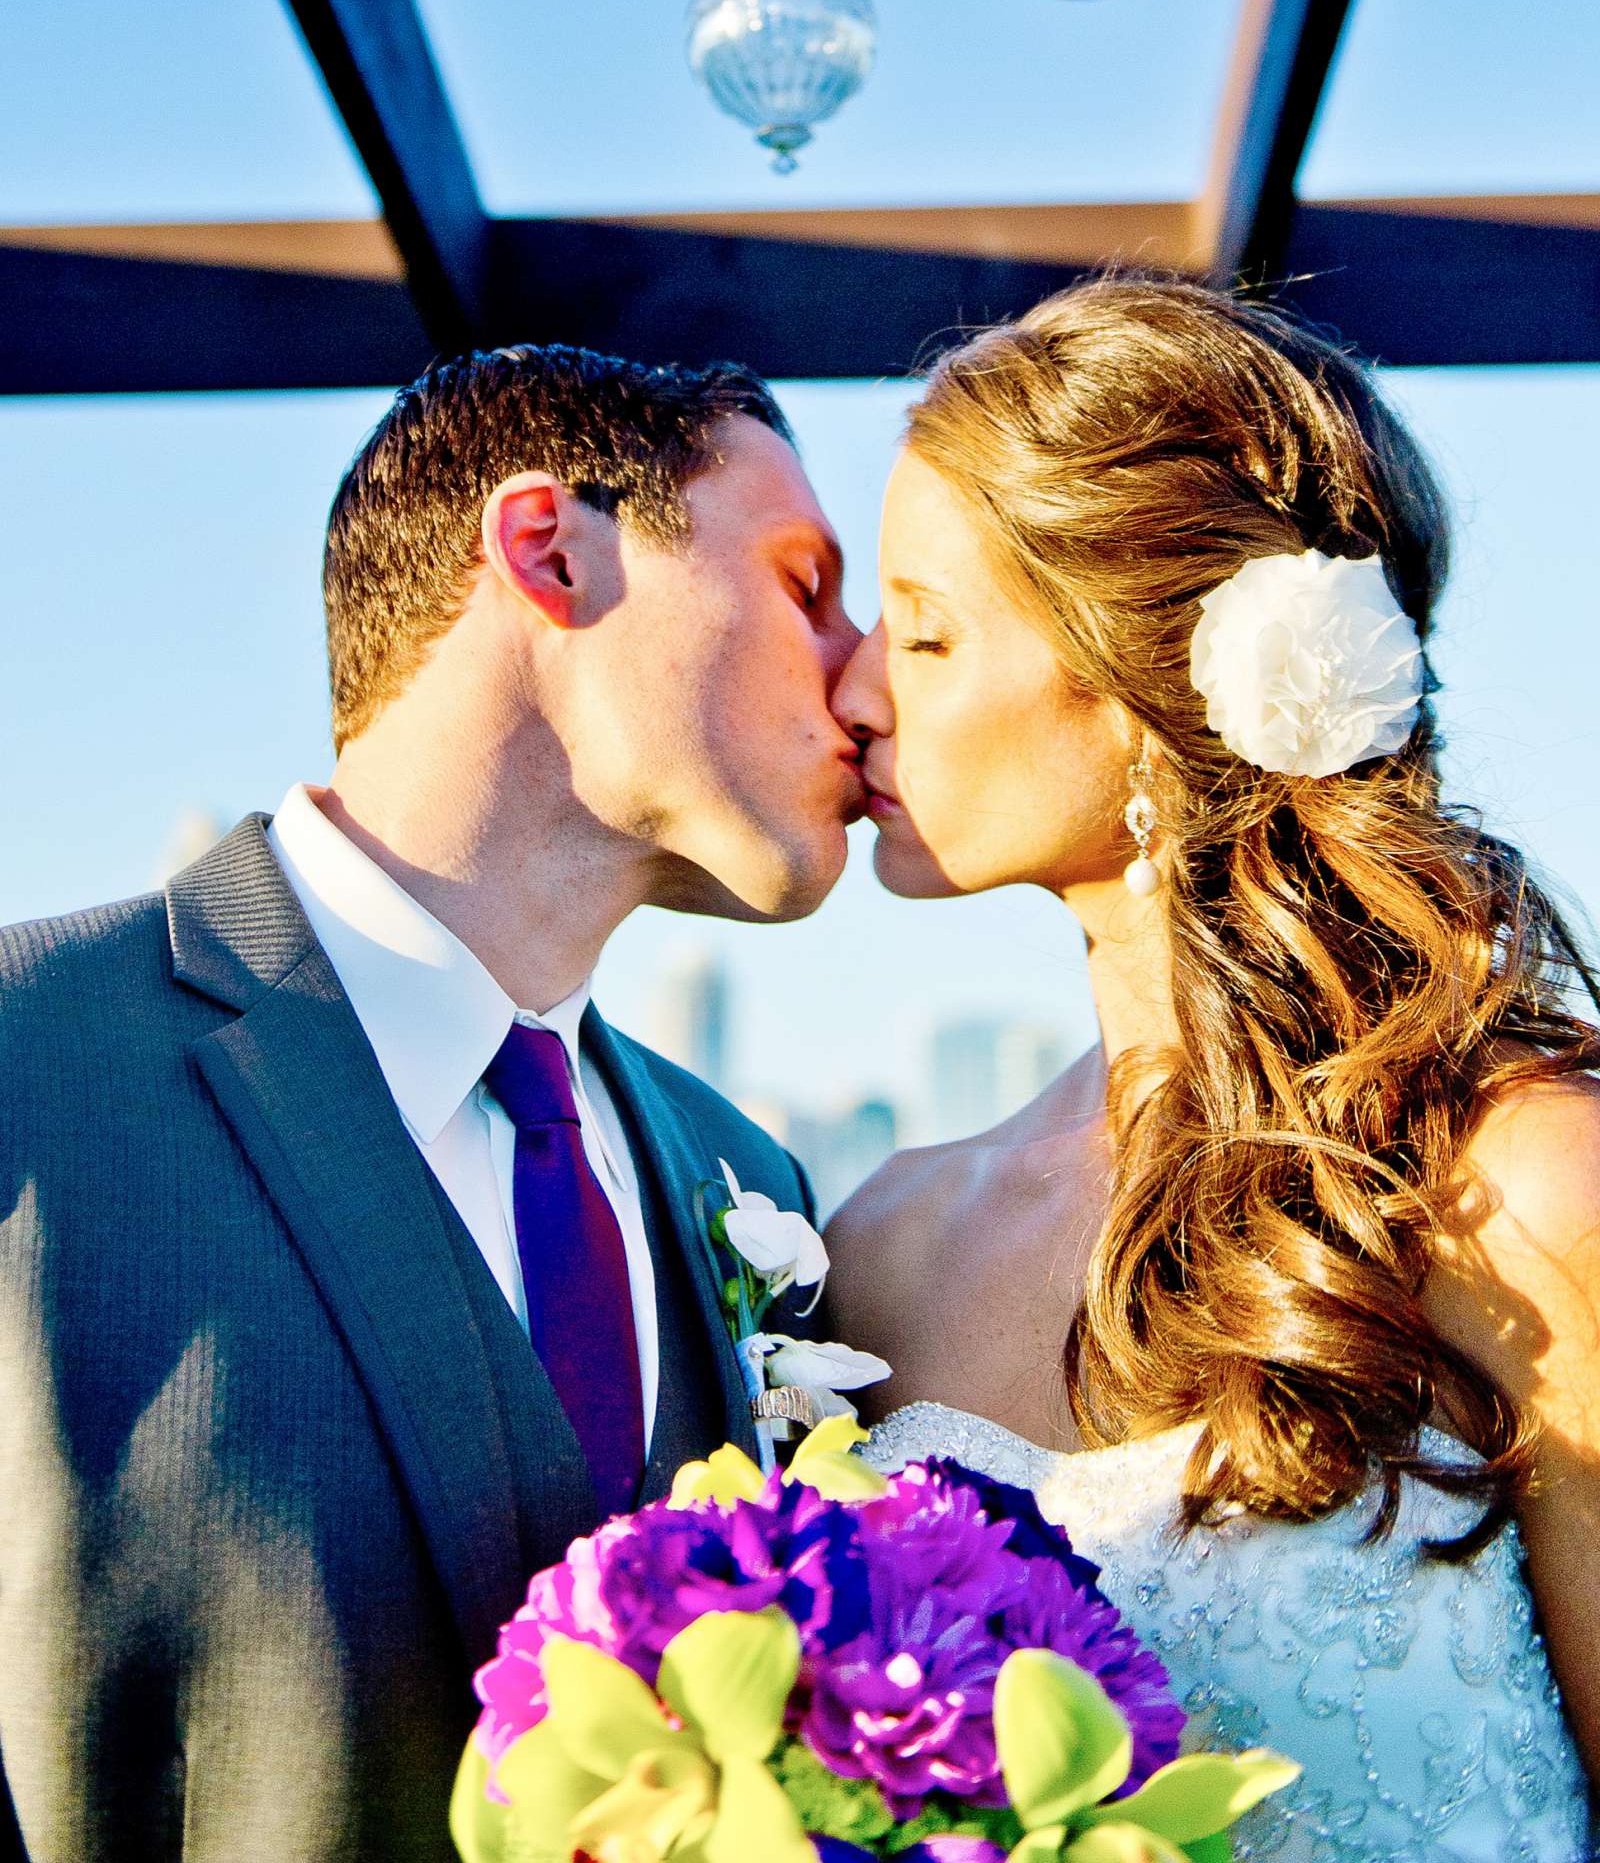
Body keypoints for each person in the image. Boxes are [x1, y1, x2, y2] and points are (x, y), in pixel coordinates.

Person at [0, 343, 865, 1862]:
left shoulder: (753, 1180)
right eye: (805, 585)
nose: (863, 675)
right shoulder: (25, 1065)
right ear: (548, 551)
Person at [827, 278, 1599, 1859]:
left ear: (1143, 691)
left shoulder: (1522, 1184)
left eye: (923, 631)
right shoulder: (884, 1248)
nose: (853, 693)